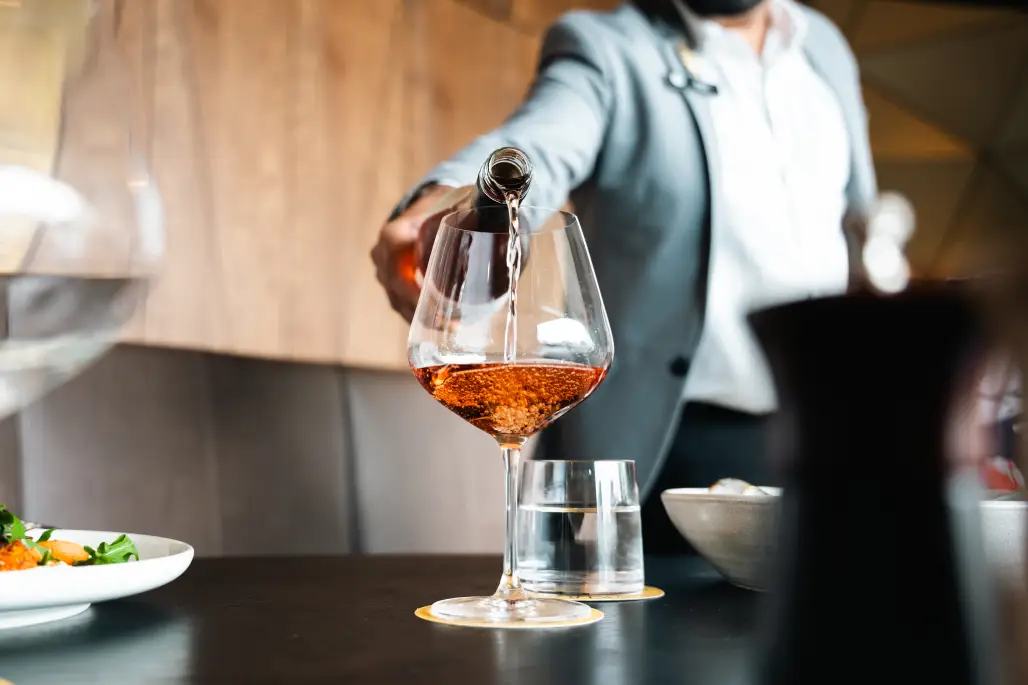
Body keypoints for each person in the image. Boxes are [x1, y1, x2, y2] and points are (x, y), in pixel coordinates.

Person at [371, 0, 878, 553]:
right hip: (659, 456)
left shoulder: (823, 45)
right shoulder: (607, 48)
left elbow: (862, 228)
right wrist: (447, 208)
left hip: (829, 443)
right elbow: (537, 146)